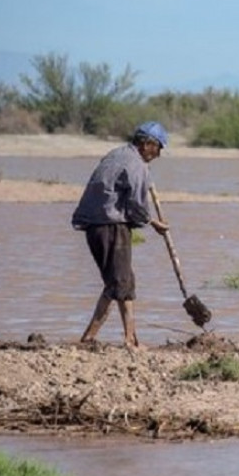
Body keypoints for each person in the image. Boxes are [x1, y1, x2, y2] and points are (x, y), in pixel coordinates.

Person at [71, 121, 170, 349]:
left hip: (95, 226)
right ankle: (128, 340)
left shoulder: (117, 154)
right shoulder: (137, 165)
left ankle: (99, 337)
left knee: (118, 282)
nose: (158, 155)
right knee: (121, 282)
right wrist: (152, 222)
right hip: (111, 225)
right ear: (146, 144)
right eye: (158, 149)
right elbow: (136, 205)